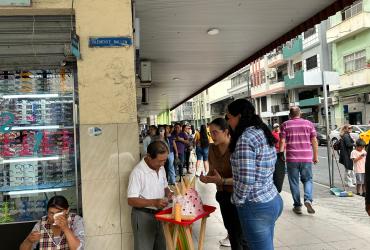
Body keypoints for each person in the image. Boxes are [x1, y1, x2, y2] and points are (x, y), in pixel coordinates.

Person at [227, 99, 283, 250]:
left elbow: (246, 179)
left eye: (229, 117)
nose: (228, 122)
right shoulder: (261, 131)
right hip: (272, 198)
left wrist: (237, 200)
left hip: (256, 206)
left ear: (238, 116)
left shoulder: (245, 138)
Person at [200, 118, 249, 250]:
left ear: (226, 131)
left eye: (215, 132)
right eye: (210, 133)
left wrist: (222, 180)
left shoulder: (237, 148)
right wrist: (206, 178)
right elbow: (212, 171)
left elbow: (245, 177)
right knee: (231, 231)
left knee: (241, 234)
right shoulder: (212, 149)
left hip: (239, 196)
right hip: (222, 195)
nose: (212, 136)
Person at [127, 141, 173, 250]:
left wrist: (169, 194)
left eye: (165, 160)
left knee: (161, 246)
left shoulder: (161, 168)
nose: (162, 164)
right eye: (159, 161)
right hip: (143, 216)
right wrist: (154, 202)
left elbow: (165, 186)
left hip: (159, 214)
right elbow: (131, 200)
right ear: (148, 156)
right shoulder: (138, 172)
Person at [279, 106, 318, 215]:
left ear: (290, 114)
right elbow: (314, 141)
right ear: (300, 113)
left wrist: (281, 154)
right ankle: (308, 199)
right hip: (306, 157)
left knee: (294, 182)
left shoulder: (285, 125)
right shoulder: (309, 124)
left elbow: (282, 141)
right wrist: (315, 156)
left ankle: (297, 206)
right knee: (308, 180)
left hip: (292, 158)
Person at [20, 195, 85, 250]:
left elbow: (79, 248)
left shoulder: (76, 221)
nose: (54, 217)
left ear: (67, 210)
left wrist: (66, 228)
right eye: (51, 213)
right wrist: (29, 241)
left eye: (59, 213)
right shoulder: (41, 223)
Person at [271, 123, 285, 193]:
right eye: (275, 127)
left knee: (281, 165)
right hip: (276, 152)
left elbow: (284, 141)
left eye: (277, 126)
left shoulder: (282, 133)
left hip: (281, 151)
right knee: (277, 166)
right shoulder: (273, 133)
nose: (276, 128)